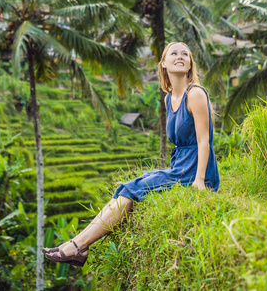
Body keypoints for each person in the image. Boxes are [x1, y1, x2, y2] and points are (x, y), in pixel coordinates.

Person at [44, 42, 220, 267]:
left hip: (196, 170)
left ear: (190, 64)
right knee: (126, 188)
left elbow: (204, 140)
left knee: (131, 191)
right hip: (180, 166)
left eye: (185, 53)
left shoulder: (195, 94)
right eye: (173, 53)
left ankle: (77, 247)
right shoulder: (169, 98)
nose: (180, 56)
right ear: (163, 64)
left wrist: (199, 181)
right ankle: (76, 244)